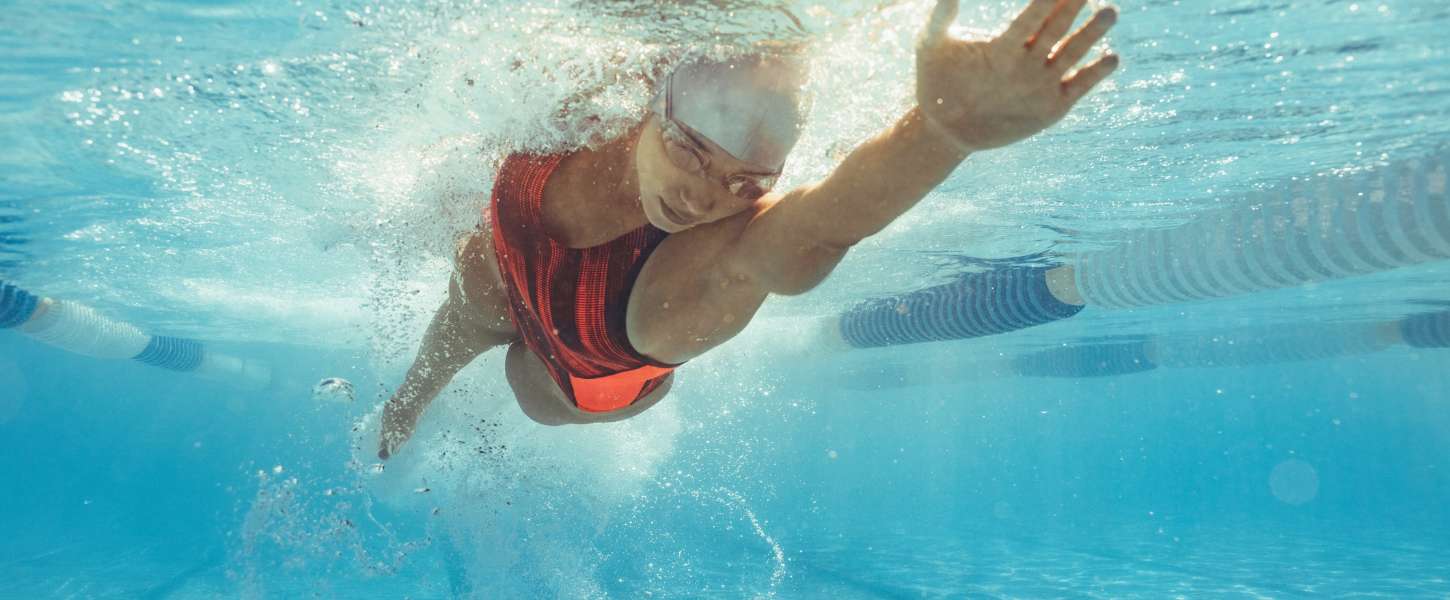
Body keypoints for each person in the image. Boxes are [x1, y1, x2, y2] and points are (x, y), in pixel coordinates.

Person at [378, 0, 1121, 459]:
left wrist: (944, 132)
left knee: (526, 386)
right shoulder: (585, 105)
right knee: (477, 280)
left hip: (586, 374)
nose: (705, 198)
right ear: (652, 105)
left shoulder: (699, 280)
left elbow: (824, 222)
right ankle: (406, 405)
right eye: (692, 152)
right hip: (515, 273)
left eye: (746, 183)